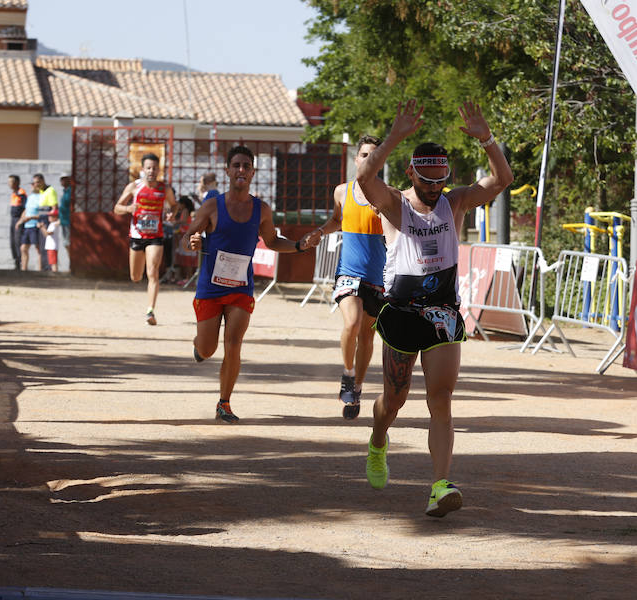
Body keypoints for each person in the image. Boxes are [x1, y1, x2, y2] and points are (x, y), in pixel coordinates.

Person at [355, 100, 513, 517]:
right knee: (394, 400)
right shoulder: (393, 204)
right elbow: (364, 176)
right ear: (412, 174)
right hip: (402, 314)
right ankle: (377, 441)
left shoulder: (455, 201)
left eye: (440, 180)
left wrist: (486, 139)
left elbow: (502, 180)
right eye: (426, 181)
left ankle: (440, 485)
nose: (433, 189)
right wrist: (394, 137)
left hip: (443, 311)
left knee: (440, 399)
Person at [183, 145, 317, 423]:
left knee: (233, 343)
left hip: (241, 288)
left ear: (253, 172)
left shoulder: (261, 209)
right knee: (209, 349)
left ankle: (224, 403)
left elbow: (272, 242)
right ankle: (199, 346)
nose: (241, 170)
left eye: (246, 166)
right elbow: (188, 237)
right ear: (228, 170)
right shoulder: (212, 205)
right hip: (210, 287)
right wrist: (194, 241)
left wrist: (298, 246)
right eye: (236, 165)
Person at [301, 135, 385, 420]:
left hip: (377, 276)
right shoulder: (342, 192)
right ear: (356, 159)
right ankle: (348, 374)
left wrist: (384, 215)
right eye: (364, 155)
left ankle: (357, 388)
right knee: (352, 321)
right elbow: (338, 219)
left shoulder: (389, 194)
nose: (367, 160)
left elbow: (402, 228)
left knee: (367, 336)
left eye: (374, 156)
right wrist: (319, 232)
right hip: (349, 271)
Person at [113, 153, 177, 325]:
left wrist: (172, 214)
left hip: (155, 236)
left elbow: (174, 205)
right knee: (135, 276)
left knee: (153, 272)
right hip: (137, 236)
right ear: (143, 169)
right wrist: (128, 209)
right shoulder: (134, 187)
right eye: (148, 167)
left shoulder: (165, 189)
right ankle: (141, 286)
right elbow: (116, 208)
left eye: (155, 168)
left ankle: (150, 311)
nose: (151, 171)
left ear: (159, 170)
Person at [15, 174, 46, 271]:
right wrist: (20, 220)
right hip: (27, 226)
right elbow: (26, 210)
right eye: (33, 183)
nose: (34, 185)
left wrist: (32, 218)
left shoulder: (43, 196)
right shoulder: (31, 196)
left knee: (38, 248)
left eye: (37, 183)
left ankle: (40, 270)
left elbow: (44, 213)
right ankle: (24, 269)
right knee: (23, 248)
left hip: (36, 225)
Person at [33, 174, 59, 271]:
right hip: (42, 219)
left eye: (38, 182)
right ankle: (45, 267)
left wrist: (53, 220)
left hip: (47, 220)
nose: (36, 184)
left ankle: (48, 268)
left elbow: (54, 207)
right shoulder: (41, 192)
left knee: (47, 245)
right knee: (42, 246)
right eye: (35, 183)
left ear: (43, 181)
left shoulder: (50, 191)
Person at [172, 195, 197, 285]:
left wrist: (175, 222)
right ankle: (188, 278)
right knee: (188, 258)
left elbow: (184, 221)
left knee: (187, 258)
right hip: (186, 234)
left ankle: (189, 278)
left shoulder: (185, 211)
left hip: (185, 235)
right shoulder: (188, 210)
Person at [8, 175, 27, 269]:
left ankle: (20, 262)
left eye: (11, 182)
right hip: (12, 219)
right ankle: (15, 261)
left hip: (18, 219)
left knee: (17, 240)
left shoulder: (21, 193)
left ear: (17, 183)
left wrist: (20, 220)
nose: (9, 184)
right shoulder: (13, 193)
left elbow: (25, 208)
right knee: (12, 241)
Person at [40, 208, 61, 273]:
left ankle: (55, 274)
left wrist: (42, 227)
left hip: (52, 247)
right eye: (49, 216)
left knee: (53, 262)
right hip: (50, 247)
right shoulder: (52, 224)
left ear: (56, 217)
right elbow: (46, 235)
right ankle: (55, 273)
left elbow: (48, 233)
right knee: (52, 262)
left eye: (52, 216)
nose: (49, 217)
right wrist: (42, 228)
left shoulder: (54, 224)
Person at [58, 173, 71, 247]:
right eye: (61, 179)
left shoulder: (70, 191)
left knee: (68, 243)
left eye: (64, 179)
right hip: (64, 221)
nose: (62, 181)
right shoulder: (64, 191)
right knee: (66, 243)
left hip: (69, 220)